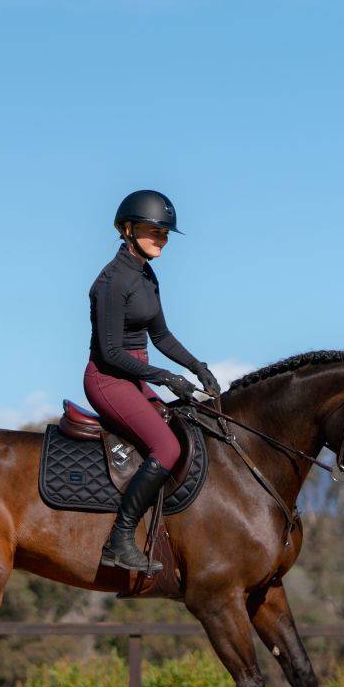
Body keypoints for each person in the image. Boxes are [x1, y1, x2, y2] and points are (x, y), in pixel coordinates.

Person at [85, 189, 220, 574]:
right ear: (127, 230)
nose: (161, 239)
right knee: (166, 445)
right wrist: (164, 377)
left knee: (188, 425)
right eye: (153, 231)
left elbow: (161, 337)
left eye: (164, 233)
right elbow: (111, 353)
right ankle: (119, 540)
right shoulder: (112, 281)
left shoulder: (146, 274)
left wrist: (197, 367)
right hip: (108, 380)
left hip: (135, 378)